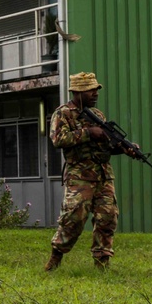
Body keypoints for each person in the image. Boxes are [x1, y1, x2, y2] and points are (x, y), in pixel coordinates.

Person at [45, 72, 136, 271]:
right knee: (74, 218)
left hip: (103, 174)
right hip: (80, 175)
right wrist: (88, 133)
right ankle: (56, 256)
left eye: (96, 90)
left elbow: (106, 145)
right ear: (78, 92)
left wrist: (124, 149)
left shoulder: (98, 115)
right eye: (91, 90)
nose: (95, 93)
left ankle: (102, 262)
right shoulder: (63, 113)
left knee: (108, 217)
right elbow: (58, 140)